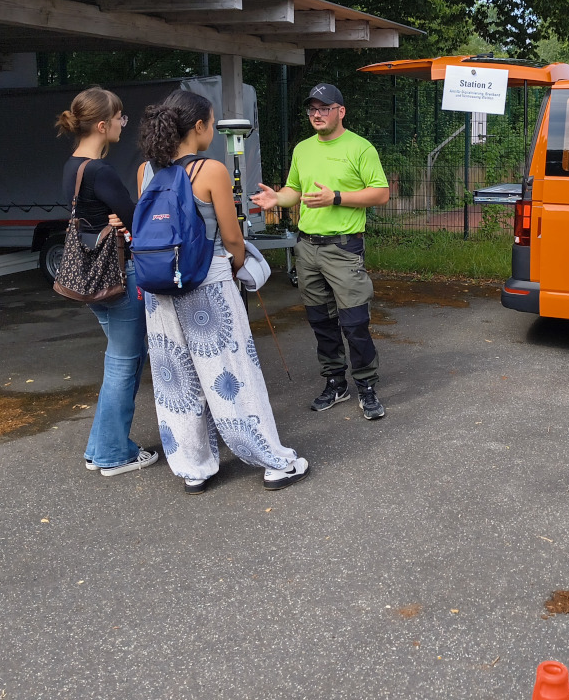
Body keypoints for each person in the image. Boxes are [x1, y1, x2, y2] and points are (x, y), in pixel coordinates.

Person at [137, 89, 308, 494]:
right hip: (208, 281)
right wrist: (237, 266)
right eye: (212, 123)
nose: (213, 130)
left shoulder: (145, 171)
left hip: (159, 287)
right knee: (231, 375)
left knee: (176, 379)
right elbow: (232, 239)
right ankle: (273, 462)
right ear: (199, 126)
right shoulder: (210, 170)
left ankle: (194, 467)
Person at [250, 83, 390, 421]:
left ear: (341, 111)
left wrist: (336, 198)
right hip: (307, 248)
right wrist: (277, 198)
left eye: (324, 108)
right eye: (312, 108)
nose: (316, 114)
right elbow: (294, 190)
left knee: (354, 322)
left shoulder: (360, 148)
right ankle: (335, 383)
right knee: (321, 322)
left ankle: (366, 386)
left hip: (343, 248)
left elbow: (381, 193)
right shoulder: (303, 149)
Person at [55, 86, 158, 477]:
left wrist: (114, 218)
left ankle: (99, 448)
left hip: (92, 276)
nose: (122, 124)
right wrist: (125, 217)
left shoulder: (73, 166)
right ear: (102, 124)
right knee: (124, 366)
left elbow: (99, 217)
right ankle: (115, 454)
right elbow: (138, 220)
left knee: (119, 361)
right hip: (118, 276)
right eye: (119, 118)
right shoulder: (101, 171)